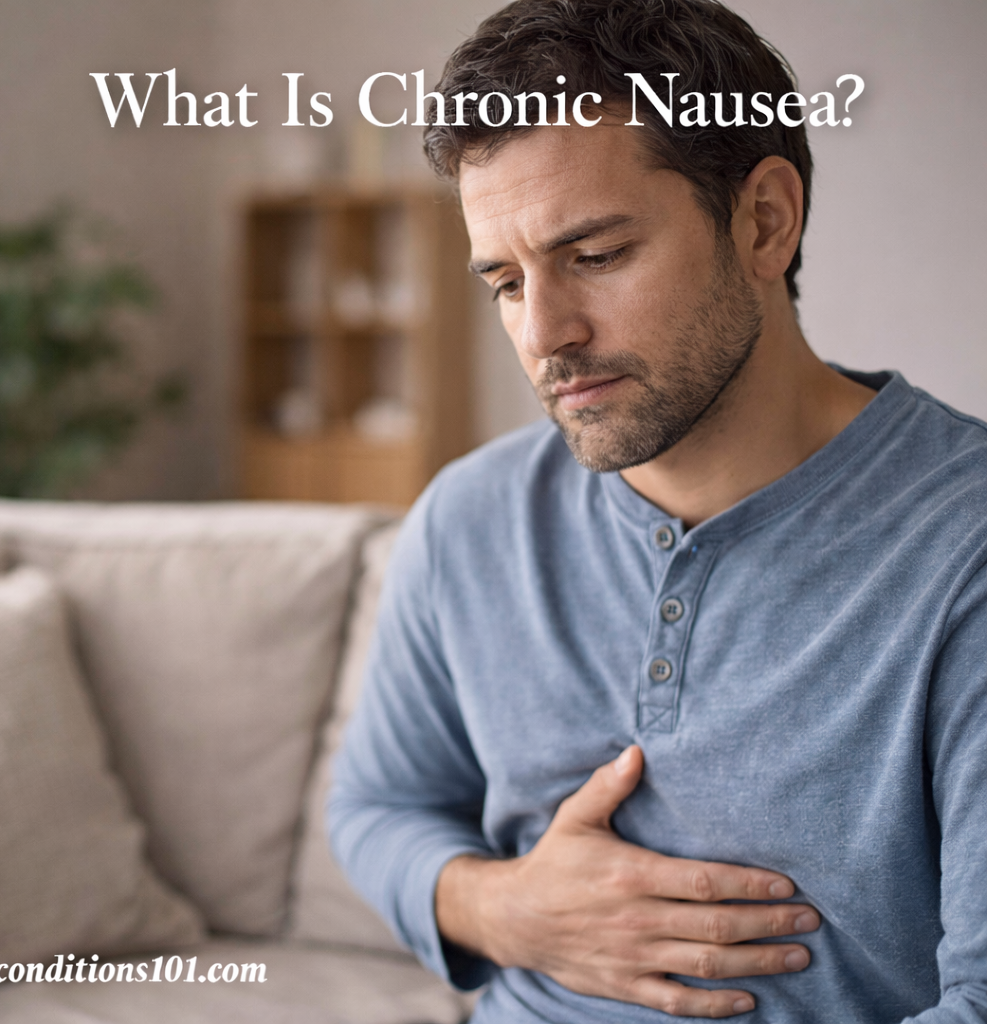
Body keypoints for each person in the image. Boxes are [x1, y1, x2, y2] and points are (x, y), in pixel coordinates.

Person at [327, 2, 987, 1021]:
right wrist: (508, 910)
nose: (544, 334)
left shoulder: (962, 546)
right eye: (506, 282)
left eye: (594, 255)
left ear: (764, 220)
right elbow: (378, 807)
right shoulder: (470, 518)